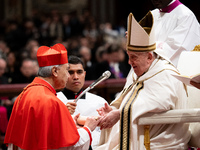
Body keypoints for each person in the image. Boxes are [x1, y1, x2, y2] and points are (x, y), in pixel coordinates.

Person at [95, 12, 190, 150]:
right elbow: (128, 99)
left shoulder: (166, 74)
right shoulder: (141, 70)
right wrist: (114, 109)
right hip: (144, 134)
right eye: (128, 56)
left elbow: (159, 103)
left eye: (133, 57)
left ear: (149, 57)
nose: (129, 62)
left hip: (162, 140)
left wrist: (120, 114)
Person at [4, 43, 100, 150]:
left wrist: (69, 120)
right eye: (67, 70)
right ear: (55, 71)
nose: (68, 76)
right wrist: (87, 128)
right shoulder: (51, 101)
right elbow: (68, 145)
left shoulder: (25, 93)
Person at [125, 0, 200, 88]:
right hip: (146, 73)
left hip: (168, 78)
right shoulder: (152, 15)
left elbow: (175, 49)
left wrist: (143, 43)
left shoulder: (185, 15)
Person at [57, 55, 107, 149]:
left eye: (79, 72)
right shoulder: (55, 101)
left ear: (84, 74)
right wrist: (63, 113)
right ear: (63, 74)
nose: (75, 77)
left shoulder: (99, 102)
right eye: (70, 72)